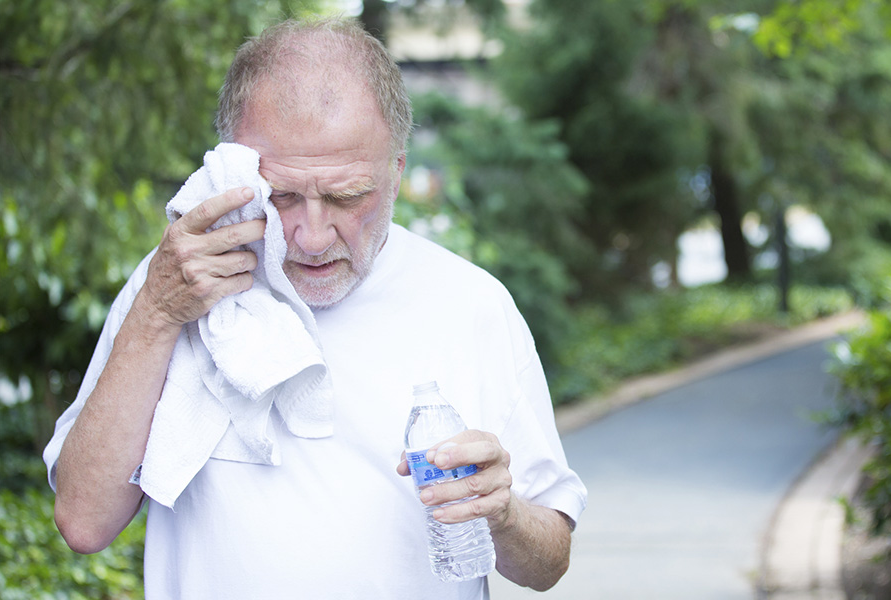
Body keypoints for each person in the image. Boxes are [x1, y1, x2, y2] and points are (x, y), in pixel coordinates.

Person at [42, 17, 586, 599]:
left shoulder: (471, 304)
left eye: (347, 197)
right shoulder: (177, 283)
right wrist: (156, 311)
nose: (312, 236)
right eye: (281, 197)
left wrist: (500, 512)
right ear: (234, 170)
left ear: (397, 172)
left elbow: (548, 562)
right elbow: (83, 521)